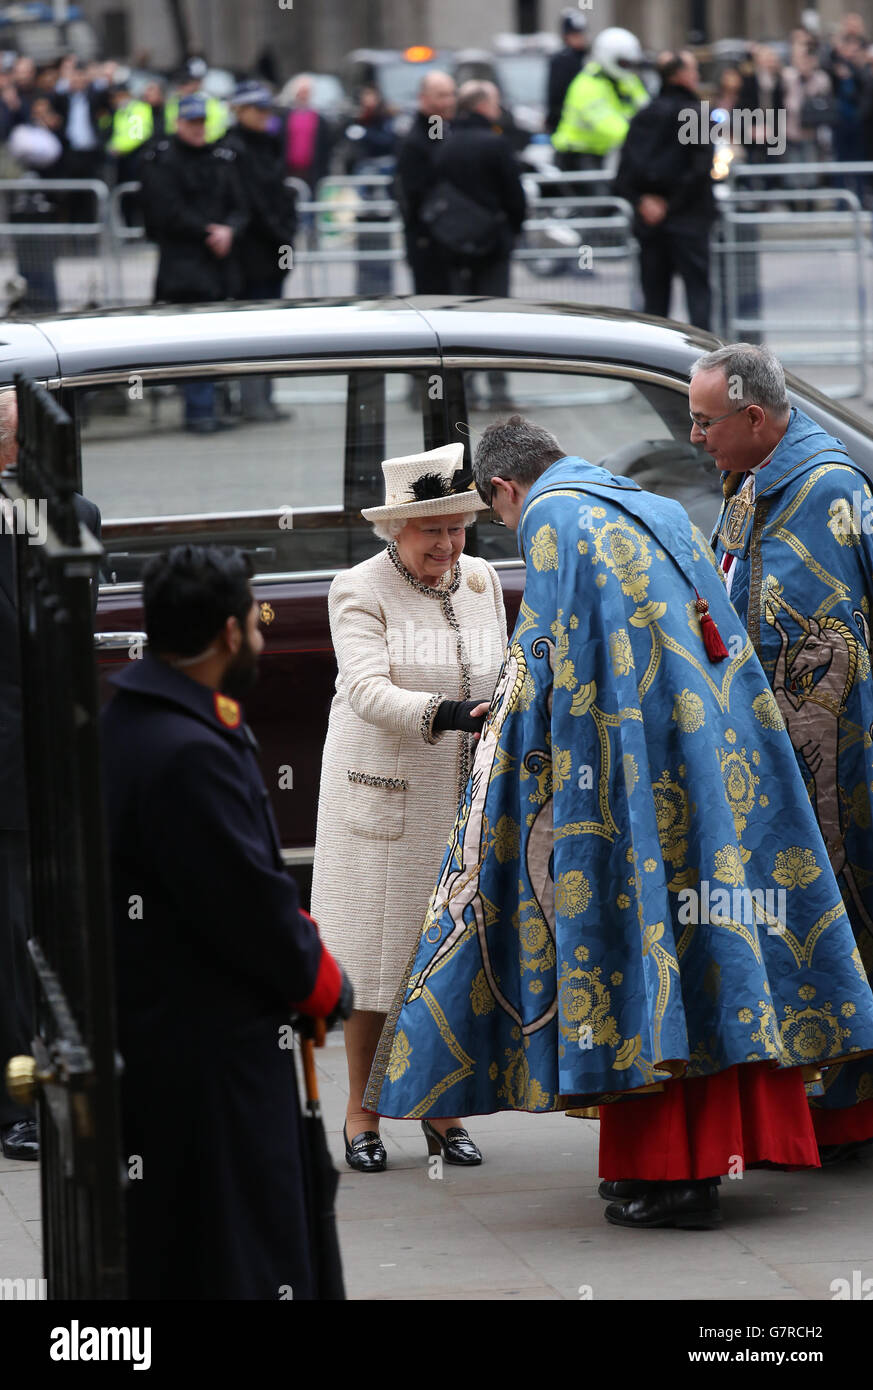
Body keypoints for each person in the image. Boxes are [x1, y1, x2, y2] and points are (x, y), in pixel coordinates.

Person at [365, 414, 873, 1230]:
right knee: (712, 958)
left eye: (496, 514)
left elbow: (546, 667)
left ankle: (679, 1178)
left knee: (645, 964)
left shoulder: (554, 520)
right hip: (713, 770)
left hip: (628, 785)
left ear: (504, 488)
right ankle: (697, 1158)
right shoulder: (652, 505)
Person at [100, 544, 352, 1299]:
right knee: (241, 1246)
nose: (261, 638)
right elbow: (244, 906)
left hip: (166, 1032)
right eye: (254, 621)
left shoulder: (146, 720)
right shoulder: (187, 750)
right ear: (228, 636)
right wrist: (319, 981)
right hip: (208, 1049)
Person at [695, 343, 873, 1160]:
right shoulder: (745, 487)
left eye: (704, 423)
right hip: (768, 758)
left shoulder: (831, 488)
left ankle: (851, 1116)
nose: (693, 438)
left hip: (844, 760)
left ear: (754, 419)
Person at [310, 443, 506, 1173]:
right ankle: (362, 1113)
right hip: (382, 805)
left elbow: (506, 667)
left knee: (445, 961)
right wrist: (453, 712)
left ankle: (439, 1107)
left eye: (458, 528)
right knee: (377, 968)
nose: (449, 545)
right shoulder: (357, 588)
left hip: (462, 803)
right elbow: (365, 690)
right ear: (395, 531)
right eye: (433, 531)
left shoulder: (482, 581)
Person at [0, 390, 101, 1161]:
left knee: (51, 929)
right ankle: (16, 1098)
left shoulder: (71, 516)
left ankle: (47, 1085)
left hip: (50, 757)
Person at [140, 93, 248, 432]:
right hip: (183, 266)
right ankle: (199, 411)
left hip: (217, 266)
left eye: (201, 122)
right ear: (178, 124)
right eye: (192, 122)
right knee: (193, 342)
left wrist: (229, 230)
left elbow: (240, 204)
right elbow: (164, 212)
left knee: (215, 341)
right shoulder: (162, 159)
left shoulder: (219, 158)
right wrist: (209, 232)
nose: (198, 129)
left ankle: (211, 407)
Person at [426, 81, 526, 409]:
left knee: (461, 319)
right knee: (496, 318)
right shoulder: (496, 144)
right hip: (493, 245)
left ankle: (465, 388)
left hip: (454, 245)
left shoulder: (446, 145)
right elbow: (515, 196)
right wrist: (511, 229)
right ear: (484, 105)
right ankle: (499, 387)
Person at [614, 50, 715, 330]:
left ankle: (652, 370)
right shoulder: (695, 115)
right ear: (680, 75)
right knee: (699, 300)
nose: (697, 76)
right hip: (689, 222)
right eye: (694, 70)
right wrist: (668, 205)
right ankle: (704, 366)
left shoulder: (643, 116)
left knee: (655, 308)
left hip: (651, 224)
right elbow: (700, 170)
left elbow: (623, 175)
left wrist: (644, 202)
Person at [222, 80, 297, 421]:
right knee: (252, 328)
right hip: (251, 251)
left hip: (272, 248)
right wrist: (280, 232)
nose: (265, 116)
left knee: (272, 329)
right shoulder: (234, 149)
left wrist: (286, 233)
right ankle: (252, 401)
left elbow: (281, 193)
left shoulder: (267, 144)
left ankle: (264, 398)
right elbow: (250, 201)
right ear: (240, 111)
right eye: (258, 109)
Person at [551, 26, 648, 174]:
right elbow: (610, 125)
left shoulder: (627, 81)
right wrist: (646, 136)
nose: (627, 68)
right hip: (577, 155)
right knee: (601, 195)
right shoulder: (586, 85)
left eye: (630, 63)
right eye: (623, 63)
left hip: (606, 153)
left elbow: (646, 108)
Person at [394, 70, 457, 294]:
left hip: (449, 242)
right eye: (442, 95)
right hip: (429, 244)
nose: (449, 101)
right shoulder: (417, 141)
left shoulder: (443, 129)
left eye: (451, 94)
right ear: (424, 98)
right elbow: (411, 195)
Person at [281, 73, 335, 193]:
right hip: (289, 170)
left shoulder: (320, 120)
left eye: (306, 92)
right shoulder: (285, 117)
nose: (303, 95)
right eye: (301, 92)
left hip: (312, 171)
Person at [546, 9, 590, 136]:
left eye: (582, 34)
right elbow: (556, 95)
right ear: (566, 36)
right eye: (575, 35)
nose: (581, 38)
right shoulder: (562, 61)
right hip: (568, 123)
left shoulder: (587, 58)